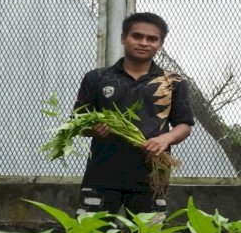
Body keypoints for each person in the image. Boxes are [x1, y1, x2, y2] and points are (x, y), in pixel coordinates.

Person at [74, 12, 194, 217]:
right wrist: (91, 130)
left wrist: (166, 138)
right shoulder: (97, 78)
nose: (144, 43)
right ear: (123, 38)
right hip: (102, 174)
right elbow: (77, 122)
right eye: (137, 36)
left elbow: (185, 125)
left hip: (151, 176)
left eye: (152, 39)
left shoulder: (173, 82)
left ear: (161, 44)